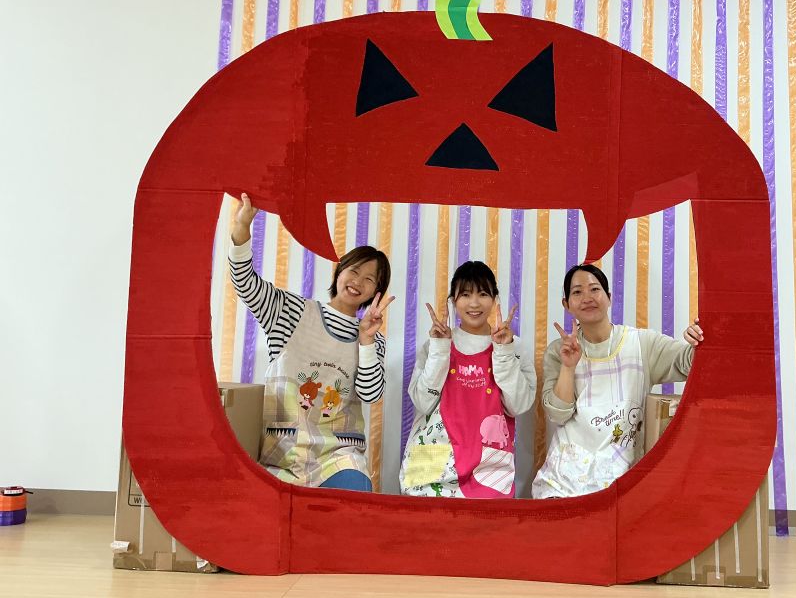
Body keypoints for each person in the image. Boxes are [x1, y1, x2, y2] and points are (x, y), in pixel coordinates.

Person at [229, 193, 393, 491]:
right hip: (282, 454)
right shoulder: (290, 312)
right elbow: (246, 284)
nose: (358, 281)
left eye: (370, 279)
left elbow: (371, 395)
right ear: (340, 270)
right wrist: (241, 231)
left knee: (356, 493)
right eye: (354, 270)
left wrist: (366, 340)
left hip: (339, 456)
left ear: (375, 293)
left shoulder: (373, 340)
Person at [531, 264, 703, 498]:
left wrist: (700, 340)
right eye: (577, 292)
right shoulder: (558, 351)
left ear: (609, 297)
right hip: (565, 479)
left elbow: (688, 363)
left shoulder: (641, 344)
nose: (587, 298)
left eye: (594, 289)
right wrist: (568, 367)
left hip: (621, 481)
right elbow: (558, 414)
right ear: (566, 304)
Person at [399, 261, 536, 498]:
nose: (474, 303)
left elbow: (517, 406)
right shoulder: (435, 344)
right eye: (465, 294)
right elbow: (423, 402)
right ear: (453, 300)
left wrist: (503, 352)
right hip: (432, 468)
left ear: (494, 299)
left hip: (489, 470)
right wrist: (440, 349)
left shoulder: (513, 346)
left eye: (482, 294)